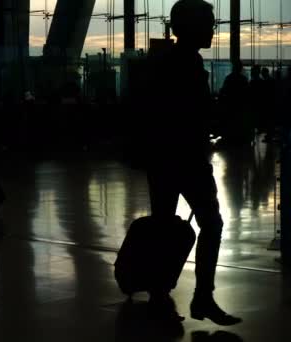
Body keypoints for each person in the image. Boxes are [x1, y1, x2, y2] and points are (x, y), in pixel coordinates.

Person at [144, 0, 241, 325]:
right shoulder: (186, 65)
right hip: (184, 158)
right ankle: (201, 297)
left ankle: (160, 293)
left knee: (163, 223)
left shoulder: (167, 62)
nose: (213, 29)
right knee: (210, 224)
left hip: (164, 159)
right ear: (192, 27)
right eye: (209, 23)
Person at [218, 61, 251, 144]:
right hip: (240, 105)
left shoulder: (229, 78)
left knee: (231, 122)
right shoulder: (243, 79)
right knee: (238, 122)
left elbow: (224, 91)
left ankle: (230, 137)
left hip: (230, 105)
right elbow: (247, 93)